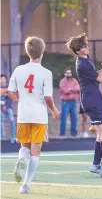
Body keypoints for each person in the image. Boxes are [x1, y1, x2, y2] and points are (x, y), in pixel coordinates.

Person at [66, 33, 102, 177]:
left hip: (92, 99)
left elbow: (94, 75)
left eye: (86, 45)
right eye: (83, 46)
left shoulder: (85, 60)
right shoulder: (83, 63)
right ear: (77, 51)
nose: (86, 47)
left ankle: (96, 165)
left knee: (100, 134)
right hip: (91, 100)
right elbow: (99, 79)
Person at [8, 36, 59, 194]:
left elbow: (10, 92)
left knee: (25, 146)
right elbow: (48, 97)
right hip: (39, 116)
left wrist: (20, 99)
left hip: (23, 115)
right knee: (35, 152)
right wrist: (54, 110)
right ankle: (25, 185)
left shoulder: (18, 70)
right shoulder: (46, 72)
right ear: (42, 52)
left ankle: (21, 158)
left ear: (27, 52)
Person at [59, 69, 80, 138]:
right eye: (67, 73)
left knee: (74, 118)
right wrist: (72, 89)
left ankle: (73, 134)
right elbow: (65, 91)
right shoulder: (62, 81)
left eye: (70, 73)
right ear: (65, 73)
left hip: (73, 102)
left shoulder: (74, 80)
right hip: (65, 102)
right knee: (64, 118)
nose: (69, 74)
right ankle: (62, 134)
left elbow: (78, 89)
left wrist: (70, 89)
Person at [1, 74, 16, 142]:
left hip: (8, 107)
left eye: (4, 79)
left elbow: (10, 98)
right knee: (1, 121)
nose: (2, 80)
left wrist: (6, 106)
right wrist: (2, 105)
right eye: (1, 79)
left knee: (12, 121)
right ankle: (4, 138)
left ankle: (13, 137)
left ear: (6, 80)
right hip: (0, 107)